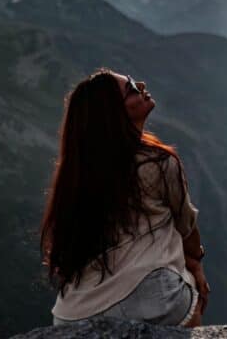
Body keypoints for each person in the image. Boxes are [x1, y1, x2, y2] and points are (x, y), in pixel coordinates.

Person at [39, 67, 210, 327]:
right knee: (191, 290)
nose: (141, 83)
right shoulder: (159, 163)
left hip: (71, 314)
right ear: (115, 113)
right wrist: (195, 262)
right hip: (153, 299)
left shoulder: (78, 173)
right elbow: (186, 226)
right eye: (131, 86)